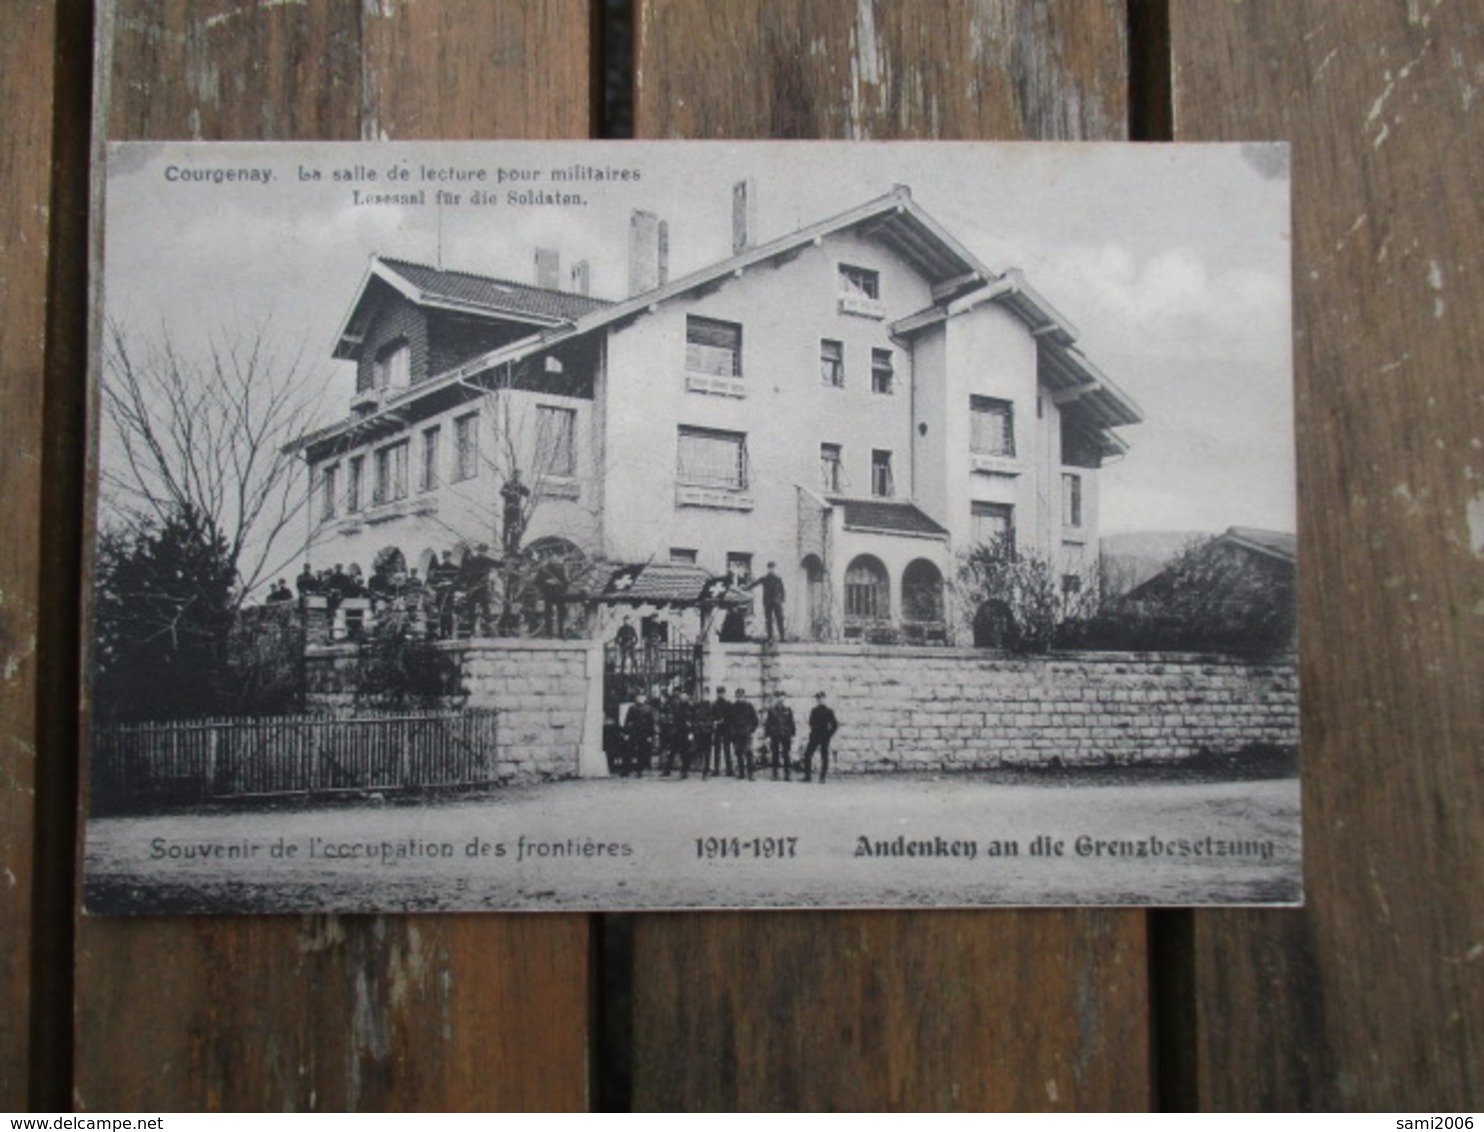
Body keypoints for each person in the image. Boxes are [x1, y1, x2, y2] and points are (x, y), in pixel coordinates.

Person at [803, 690, 839, 783]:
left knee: (824, 756)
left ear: (824, 699)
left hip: (824, 736)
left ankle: (822, 777)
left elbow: (835, 725)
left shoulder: (829, 711)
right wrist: (814, 730)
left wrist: (829, 734)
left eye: (822, 698)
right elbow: (811, 722)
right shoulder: (814, 711)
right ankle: (808, 776)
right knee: (807, 754)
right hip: (814, 736)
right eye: (818, 699)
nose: (820, 700)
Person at [747, 561, 787, 642]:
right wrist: (746, 588)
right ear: (768, 569)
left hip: (777, 602)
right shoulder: (764, 578)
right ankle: (770, 637)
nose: (771, 570)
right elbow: (755, 584)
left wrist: (782, 599)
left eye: (772, 568)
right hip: (768, 602)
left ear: (774, 569)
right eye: (770, 568)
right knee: (769, 620)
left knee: (780, 618)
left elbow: (782, 590)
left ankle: (782, 637)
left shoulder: (778, 579)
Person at [764, 691, 797, 781]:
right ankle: (775, 774)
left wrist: (793, 735)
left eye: (782, 697)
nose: (780, 699)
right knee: (775, 754)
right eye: (778, 697)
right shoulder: (771, 710)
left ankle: (787, 774)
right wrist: (767, 736)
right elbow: (768, 724)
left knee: (786, 754)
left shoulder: (788, 710)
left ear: (785, 698)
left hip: (786, 734)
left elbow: (791, 723)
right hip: (775, 734)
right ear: (776, 698)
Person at [730, 687, 759, 781]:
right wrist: (733, 731)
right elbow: (730, 721)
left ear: (744, 696)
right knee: (738, 753)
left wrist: (750, 729)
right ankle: (741, 772)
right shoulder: (733, 707)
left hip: (747, 733)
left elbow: (755, 720)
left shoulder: (749, 706)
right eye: (738, 697)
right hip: (737, 734)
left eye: (741, 696)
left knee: (749, 753)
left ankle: (751, 773)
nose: (739, 698)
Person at [710, 686, 732, 777]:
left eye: (722, 693)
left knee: (727, 749)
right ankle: (716, 769)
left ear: (724, 693)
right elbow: (711, 716)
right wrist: (716, 721)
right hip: (718, 729)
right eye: (719, 693)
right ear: (717, 694)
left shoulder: (728, 704)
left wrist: (726, 721)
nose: (720, 695)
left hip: (726, 729)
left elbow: (731, 716)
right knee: (717, 750)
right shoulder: (714, 704)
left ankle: (729, 770)